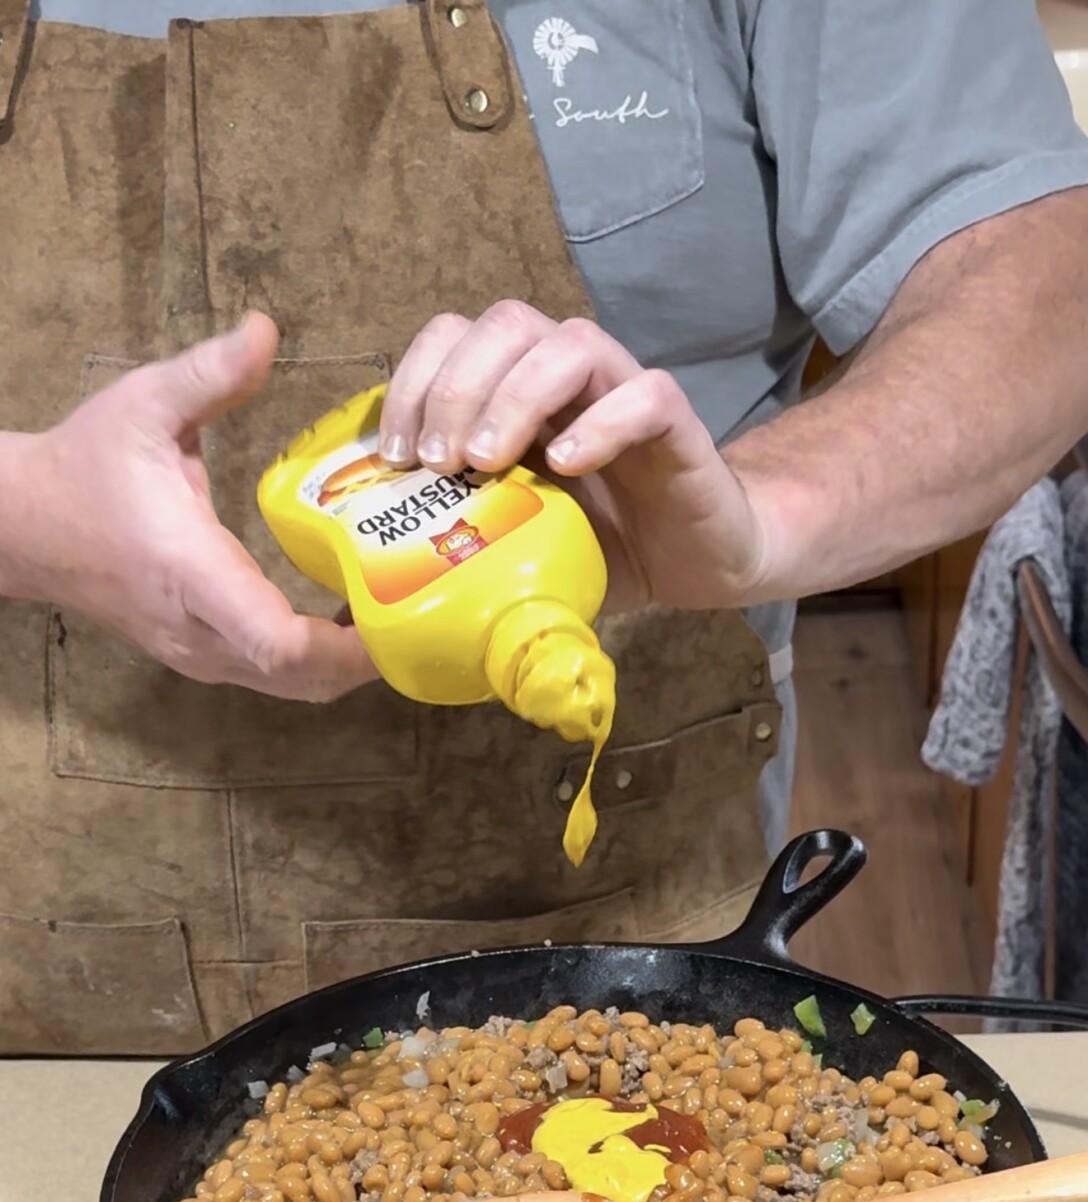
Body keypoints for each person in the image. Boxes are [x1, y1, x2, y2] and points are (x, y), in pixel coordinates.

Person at [2, 0, 1088, 1054]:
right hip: (43, 989)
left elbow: (1040, 271)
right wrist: (28, 513)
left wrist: (771, 504)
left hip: (629, 988)